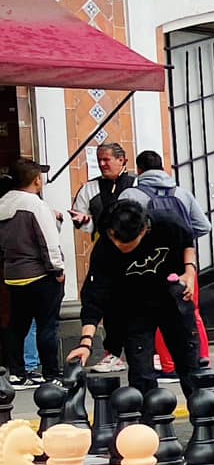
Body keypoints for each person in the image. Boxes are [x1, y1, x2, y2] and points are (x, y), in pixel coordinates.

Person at [67, 199, 207, 398]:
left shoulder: (166, 223)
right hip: (133, 308)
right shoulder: (105, 248)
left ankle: (205, 420)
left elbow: (187, 241)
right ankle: (147, 425)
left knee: (190, 365)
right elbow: (94, 296)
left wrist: (190, 272)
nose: (117, 244)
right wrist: (85, 342)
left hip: (172, 299)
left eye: (124, 241)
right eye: (113, 237)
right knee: (141, 373)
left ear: (143, 231)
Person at [122, 151, 212, 374]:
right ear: (163, 168)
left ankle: (169, 366)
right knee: (191, 313)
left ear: (139, 170)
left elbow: (121, 230)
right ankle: (201, 360)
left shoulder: (131, 194)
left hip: (148, 266)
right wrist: (182, 240)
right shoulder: (181, 193)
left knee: (157, 315)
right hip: (183, 265)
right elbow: (203, 226)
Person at [66, 142, 134, 373]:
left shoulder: (136, 185)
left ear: (122, 160)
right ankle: (112, 352)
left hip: (136, 253)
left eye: (107, 159)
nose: (103, 164)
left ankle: (151, 353)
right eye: (100, 160)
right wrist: (83, 222)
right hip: (106, 253)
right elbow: (82, 217)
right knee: (108, 304)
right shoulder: (90, 188)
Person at [2, 160, 66, 387]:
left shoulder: (3, 203)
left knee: (17, 325)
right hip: (40, 274)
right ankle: (52, 374)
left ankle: (17, 373)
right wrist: (57, 270)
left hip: (13, 274)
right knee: (47, 325)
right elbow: (48, 241)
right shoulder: (35, 205)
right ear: (36, 180)